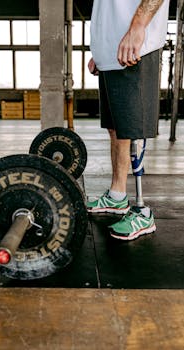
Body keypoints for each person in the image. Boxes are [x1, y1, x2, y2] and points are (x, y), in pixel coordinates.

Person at [87, 0, 170, 240]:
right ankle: (117, 196)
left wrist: (138, 27)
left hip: (135, 46)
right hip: (110, 54)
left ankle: (142, 211)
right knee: (117, 129)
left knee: (134, 129)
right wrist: (101, 51)